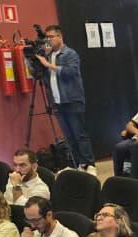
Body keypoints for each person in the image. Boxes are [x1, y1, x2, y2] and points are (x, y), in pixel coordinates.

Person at [36, 26, 94, 172]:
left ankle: (90, 164)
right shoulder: (49, 55)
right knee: (68, 137)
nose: (48, 40)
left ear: (60, 37)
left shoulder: (69, 53)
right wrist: (37, 61)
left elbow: (70, 72)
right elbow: (42, 75)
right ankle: (77, 165)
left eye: (51, 37)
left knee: (79, 134)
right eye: (47, 37)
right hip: (58, 101)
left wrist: (48, 65)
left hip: (73, 99)